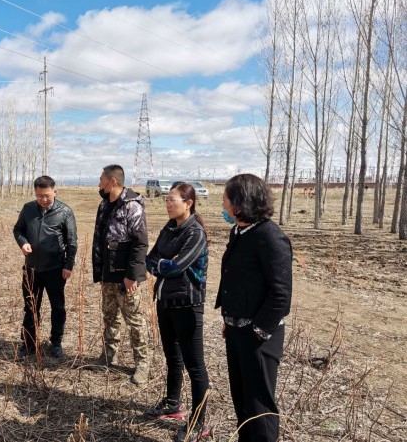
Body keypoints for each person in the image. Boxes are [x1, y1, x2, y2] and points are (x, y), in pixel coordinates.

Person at [216, 173, 293, 442]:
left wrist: (258, 330)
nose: (223, 203)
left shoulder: (270, 236)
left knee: (260, 405)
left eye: (227, 197)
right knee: (242, 399)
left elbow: (281, 294)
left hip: (260, 336)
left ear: (241, 201)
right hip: (237, 329)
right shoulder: (238, 231)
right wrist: (230, 318)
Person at [144, 183, 211, 442]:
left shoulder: (195, 232)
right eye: (167, 200)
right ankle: (173, 404)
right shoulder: (169, 228)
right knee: (172, 357)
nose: (168, 204)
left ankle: (198, 422)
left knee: (195, 366)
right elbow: (151, 259)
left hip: (187, 305)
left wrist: (161, 264)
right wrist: (162, 264)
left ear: (188, 203)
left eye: (172, 200)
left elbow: (176, 266)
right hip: (165, 302)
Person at [92, 164, 149, 385]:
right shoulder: (104, 205)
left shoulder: (132, 206)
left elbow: (140, 243)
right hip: (108, 273)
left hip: (126, 277)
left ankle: (142, 364)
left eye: (100, 179)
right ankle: (108, 355)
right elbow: (100, 239)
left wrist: (132, 275)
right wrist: (100, 271)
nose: (98, 184)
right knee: (110, 317)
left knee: (134, 321)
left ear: (112, 182)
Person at [13, 175, 77, 359]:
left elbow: (72, 241)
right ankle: (28, 343)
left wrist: (68, 265)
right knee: (31, 307)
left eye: (47, 195)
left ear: (54, 192)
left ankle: (56, 342)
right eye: (39, 195)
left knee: (58, 307)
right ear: (35, 193)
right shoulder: (28, 209)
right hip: (32, 269)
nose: (43, 200)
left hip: (55, 270)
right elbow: (18, 230)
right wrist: (22, 242)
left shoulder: (64, 211)